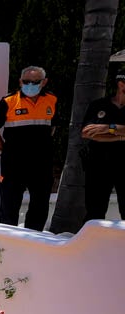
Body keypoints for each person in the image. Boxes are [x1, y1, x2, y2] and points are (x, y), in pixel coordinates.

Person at [0, 66, 58, 231]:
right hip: (14, 164)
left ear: (44, 82)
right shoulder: (9, 101)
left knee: (39, 207)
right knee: (9, 208)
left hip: (42, 164)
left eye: (35, 82)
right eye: (26, 82)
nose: (30, 85)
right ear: (20, 81)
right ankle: (6, 244)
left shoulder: (51, 100)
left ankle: (34, 242)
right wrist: (6, 151)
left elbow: (52, 128)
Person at [80, 71, 125, 223]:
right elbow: (87, 132)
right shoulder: (99, 105)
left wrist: (108, 128)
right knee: (95, 210)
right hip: (98, 165)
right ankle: (93, 245)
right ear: (121, 84)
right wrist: (120, 135)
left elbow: (98, 131)